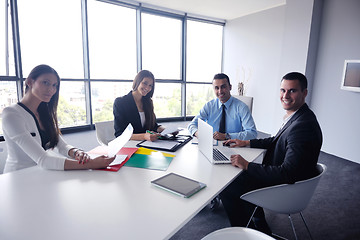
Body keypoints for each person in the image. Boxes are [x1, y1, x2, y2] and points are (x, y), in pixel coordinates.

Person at [219, 72, 323, 234]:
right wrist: (247, 142)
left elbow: (288, 173)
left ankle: (244, 234)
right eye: (283, 90)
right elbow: (277, 140)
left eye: (292, 91)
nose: (285, 95)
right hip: (291, 180)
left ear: (305, 93)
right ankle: (258, 221)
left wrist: (247, 165)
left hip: (286, 189)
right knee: (239, 175)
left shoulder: (302, 127)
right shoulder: (300, 117)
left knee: (228, 186)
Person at [2, 64, 115, 173]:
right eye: (46, 83)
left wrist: (76, 153)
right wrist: (91, 164)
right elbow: (43, 159)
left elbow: (62, 146)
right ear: (30, 82)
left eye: (54, 85)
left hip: (42, 173)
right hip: (19, 177)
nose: (51, 89)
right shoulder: (11, 114)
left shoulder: (44, 113)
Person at [187, 73, 257, 140]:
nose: (220, 91)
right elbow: (192, 125)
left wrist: (227, 136)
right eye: (216, 88)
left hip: (234, 146)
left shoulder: (242, 107)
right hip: (212, 146)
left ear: (230, 87)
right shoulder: (209, 106)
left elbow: (252, 134)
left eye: (223, 87)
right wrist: (198, 133)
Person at [113, 70, 164, 141]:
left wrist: (166, 130)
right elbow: (119, 134)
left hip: (147, 144)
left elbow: (153, 126)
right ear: (137, 81)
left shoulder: (148, 102)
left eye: (150, 85)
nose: (147, 88)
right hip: (130, 144)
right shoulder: (120, 102)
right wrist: (144, 136)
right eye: (145, 83)